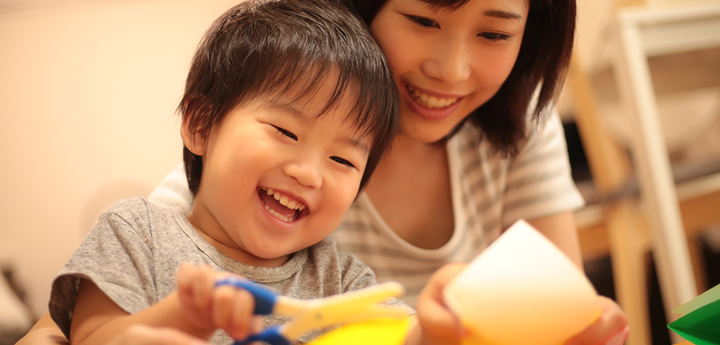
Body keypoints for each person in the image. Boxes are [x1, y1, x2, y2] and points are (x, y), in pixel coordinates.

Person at [19, 0, 629, 344]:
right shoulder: (144, 230)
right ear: (200, 125)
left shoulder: (337, 274)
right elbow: (85, 338)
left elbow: (397, 336)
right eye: (423, 19)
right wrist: (176, 320)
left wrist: (448, 328)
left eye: (344, 160)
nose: (310, 172)